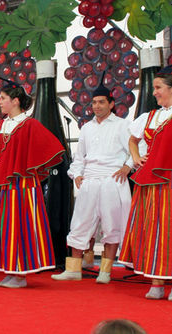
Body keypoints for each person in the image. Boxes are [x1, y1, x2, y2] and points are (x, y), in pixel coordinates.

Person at [0, 77, 64, 288]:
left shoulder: (30, 124)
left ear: (16, 100)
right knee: (4, 227)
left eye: (3, 98)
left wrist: (33, 167)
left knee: (21, 226)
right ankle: (10, 270)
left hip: (24, 185)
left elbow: (51, 148)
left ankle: (21, 274)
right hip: (2, 183)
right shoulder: (0, 125)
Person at [51, 82, 132, 284]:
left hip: (112, 179)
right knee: (80, 223)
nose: (97, 106)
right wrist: (76, 174)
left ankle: (105, 272)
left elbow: (135, 150)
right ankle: (74, 269)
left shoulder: (123, 125)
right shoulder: (87, 128)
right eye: (94, 102)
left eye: (101, 102)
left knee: (111, 226)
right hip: (89, 180)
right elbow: (80, 157)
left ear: (111, 104)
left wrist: (128, 166)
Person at [119, 65, 172, 300]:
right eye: (154, 88)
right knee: (152, 229)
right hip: (150, 181)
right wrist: (137, 157)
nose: (154, 92)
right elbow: (133, 140)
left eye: (158, 88)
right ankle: (157, 281)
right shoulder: (149, 117)